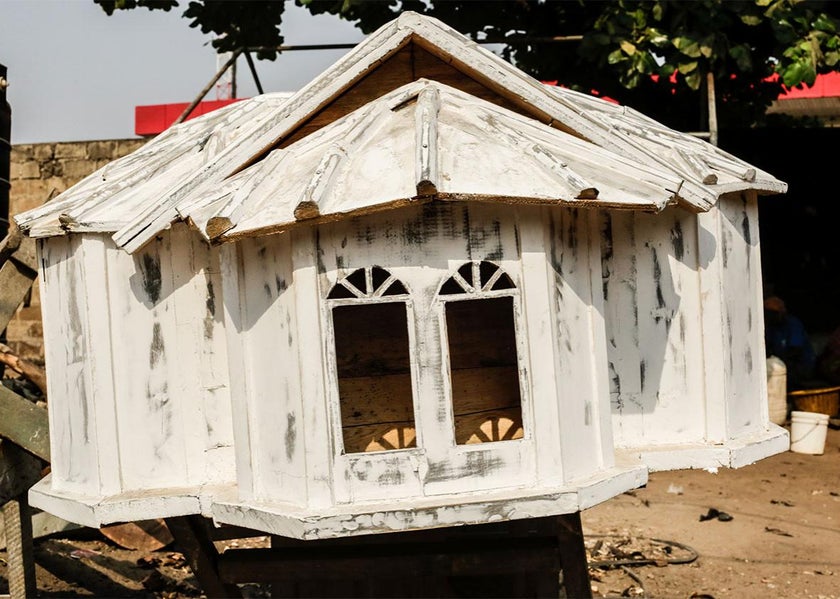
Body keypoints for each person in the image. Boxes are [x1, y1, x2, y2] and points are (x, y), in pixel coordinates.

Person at [763, 296, 816, 390]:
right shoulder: (771, 328)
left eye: (774, 314)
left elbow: (795, 351)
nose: (771, 317)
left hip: (801, 366)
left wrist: (778, 360)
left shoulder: (793, 324)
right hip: (782, 363)